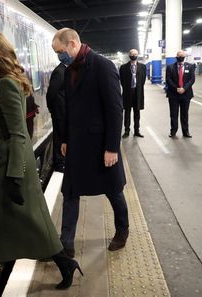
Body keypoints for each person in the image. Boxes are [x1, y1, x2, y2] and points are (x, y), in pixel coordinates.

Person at [0, 31, 82, 296]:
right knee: (6, 218)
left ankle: (63, 263)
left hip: (9, 165)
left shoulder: (5, 85)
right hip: (0, 162)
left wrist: (15, 175)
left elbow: (18, 133)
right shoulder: (1, 82)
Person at [51, 28, 129, 257]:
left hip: (100, 145)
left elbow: (115, 110)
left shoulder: (103, 66)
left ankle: (122, 230)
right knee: (70, 192)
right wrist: (64, 139)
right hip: (76, 145)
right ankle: (66, 244)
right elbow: (69, 109)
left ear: (73, 44)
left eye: (60, 51)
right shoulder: (68, 71)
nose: (59, 56)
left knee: (114, 191)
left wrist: (112, 147)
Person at [165, 50, 195, 138]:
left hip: (186, 94)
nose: (180, 57)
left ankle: (186, 132)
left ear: (185, 56)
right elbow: (168, 79)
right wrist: (176, 88)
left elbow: (192, 79)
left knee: (185, 114)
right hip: (173, 94)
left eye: (182, 55)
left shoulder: (190, 66)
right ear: (176, 57)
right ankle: (173, 131)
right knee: (173, 114)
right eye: (179, 55)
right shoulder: (170, 67)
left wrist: (184, 88)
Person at [119, 49, 147, 138]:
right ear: (129, 55)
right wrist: (128, 88)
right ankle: (127, 131)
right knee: (127, 112)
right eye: (132, 54)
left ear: (138, 55)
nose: (133, 55)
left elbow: (143, 80)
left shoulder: (142, 67)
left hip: (138, 93)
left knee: (137, 113)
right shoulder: (123, 67)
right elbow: (122, 81)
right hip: (127, 92)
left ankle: (137, 131)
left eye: (135, 54)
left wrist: (137, 87)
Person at [46, 62, 66, 172]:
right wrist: (51, 108)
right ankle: (59, 163)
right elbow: (51, 93)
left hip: (62, 111)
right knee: (59, 136)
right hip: (59, 111)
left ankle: (61, 160)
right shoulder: (60, 71)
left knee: (62, 136)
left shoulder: (64, 70)